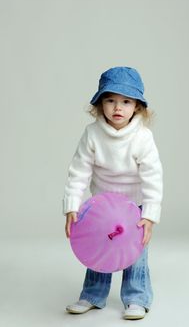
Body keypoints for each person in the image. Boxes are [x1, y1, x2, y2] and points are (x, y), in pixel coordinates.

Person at [62, 66, 163, 320]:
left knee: (136, 255)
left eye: (126, 101)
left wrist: (149, 215)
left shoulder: (142, 137)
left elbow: (153, 177)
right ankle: (93, 295)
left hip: (135, 207)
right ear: (100, 104)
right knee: (99, 248)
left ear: (137, 107)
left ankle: (137, 297)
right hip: (101, 208)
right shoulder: (92, 134)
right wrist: (72, 206)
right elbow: (79, 170)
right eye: (110, 100)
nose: (118, 107)